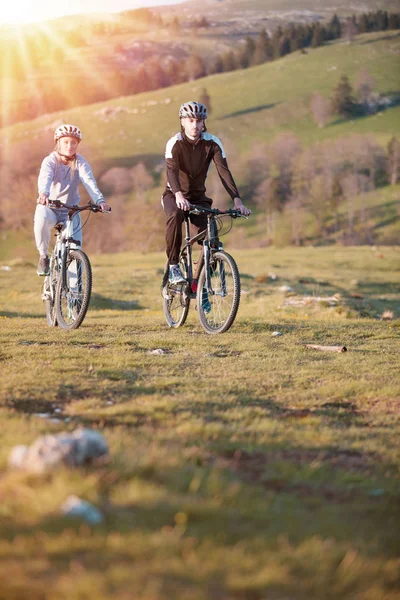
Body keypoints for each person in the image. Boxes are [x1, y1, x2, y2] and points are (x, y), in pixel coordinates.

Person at [162, 101, 251, 284]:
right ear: (183, 121)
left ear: (204, 122)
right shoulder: (175, 143)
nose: (195, 125)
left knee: (212, 241)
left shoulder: (212, 143)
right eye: (191, 120)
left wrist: (237, 201)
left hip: (198, 198)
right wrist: (178, 194)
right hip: (174, 195)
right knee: (176, 214)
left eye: (199, 121)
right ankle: (173, 267)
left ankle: (200, 286)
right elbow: (171, 171)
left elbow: (224, 172)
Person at [34, 124, 110, 276]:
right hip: (51, 208)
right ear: (59, 143)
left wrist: (100, 200)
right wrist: (44, 193)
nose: (70, 146)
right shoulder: (50, 161)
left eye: (73, 142)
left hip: (71, 211)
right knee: (41, 217)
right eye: (66, 142)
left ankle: (75, 296)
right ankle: (43, 256)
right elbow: (45, 178)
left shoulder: (80, 162)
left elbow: (89, 182)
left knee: (75, 253)